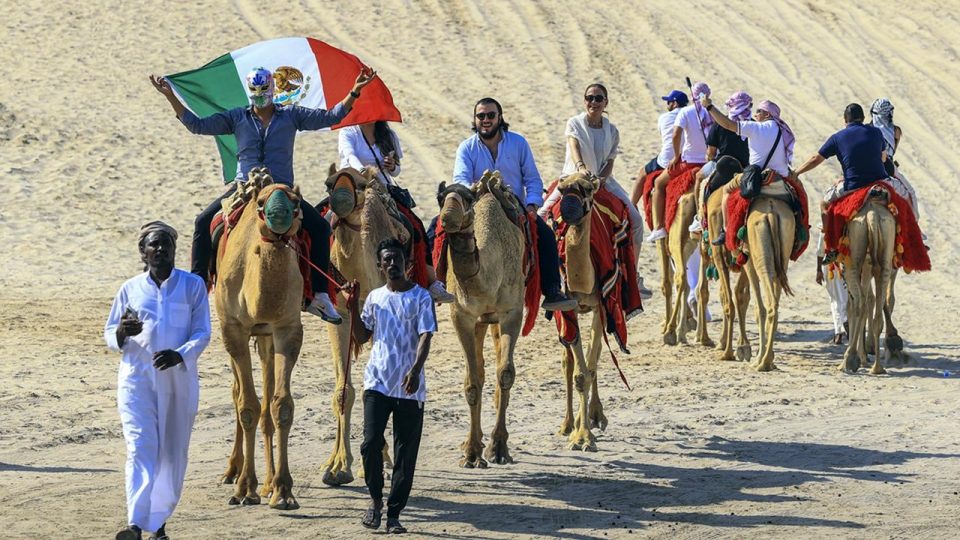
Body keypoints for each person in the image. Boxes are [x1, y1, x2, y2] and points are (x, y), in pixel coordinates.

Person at [149, 67, 377, 324]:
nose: (260, 97)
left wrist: (355, 91)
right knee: (203, 222)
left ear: (272, 90)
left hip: (282, 191)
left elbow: (330, 117)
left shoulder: (291, 115)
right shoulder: (236, 117)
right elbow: (197, 126)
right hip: (244, 189)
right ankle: (199, 286)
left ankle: (320, 295)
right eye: (255, 92)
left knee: (321, 230)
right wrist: (170, 96)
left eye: (264, 91)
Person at [104, 221, 211, 540]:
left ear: (175, 250)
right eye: (154, 244)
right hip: (137, 382)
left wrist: (181, 354)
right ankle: (135, 525)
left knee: (171, 454)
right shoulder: (130, 288)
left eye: (166, 244)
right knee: (140, 448)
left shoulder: (192, 286)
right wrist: (123, 332)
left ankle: (158, 524)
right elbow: (110, 332)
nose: (161, 249)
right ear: (143, 251)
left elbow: (202, 332)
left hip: (178, 384)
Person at [448, 97, 577, 312]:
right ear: (475, 119)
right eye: (481, 116)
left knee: (545, 236)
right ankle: (438, 283)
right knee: (440, 228)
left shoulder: (518, 143)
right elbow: (460, 179)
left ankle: (552, 290)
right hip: (478, 203)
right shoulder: (466, 148)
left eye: (491, 115)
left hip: (512, 204)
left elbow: (532, 179)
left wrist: (532, 205)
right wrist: (476, 187)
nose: (486, 120)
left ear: (500, 118)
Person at [349, 238, 436, 535]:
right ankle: (375, 500)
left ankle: (394, 513)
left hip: (410, 386)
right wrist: (352, 306)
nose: (391, 264)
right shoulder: (374, 297)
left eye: (396, 259)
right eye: (386, 260)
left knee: (405, 453)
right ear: (379, 265)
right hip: (377, 382)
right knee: (370, 443)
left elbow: (426, 336)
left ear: (407, 263)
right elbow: (362, 337)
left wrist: (415, 369)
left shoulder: (422, 297)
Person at [539, 83, 652, 298]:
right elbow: (574, 147)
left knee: (636, 220)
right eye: (589, 98)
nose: (593, 102)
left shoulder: (612, 131)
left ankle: (633, 276)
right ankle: (542, 277)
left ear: (605, 102)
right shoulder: (575, 123)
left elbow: (609, 161)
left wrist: (601, 178)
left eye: (598, 98)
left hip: (603, 180)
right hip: (574, 176)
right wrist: (581, 168)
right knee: (542, 215)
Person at [338, 121, 455, 303]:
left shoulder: (388, 134)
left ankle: (432, 283)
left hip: (382, 189)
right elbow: (349, 155)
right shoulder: (348, 133)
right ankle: (318, 284)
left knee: (415, 226)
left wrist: (392, 166)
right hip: (352, 189)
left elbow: (397, 171)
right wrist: (365, 171)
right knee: (324, 222)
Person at [702, 96, 796, 245]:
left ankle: (726, 231)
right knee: (799, 196)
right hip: (780, 177)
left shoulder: (755, 127)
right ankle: (799, 231)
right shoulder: (782, 130)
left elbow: (727, 124)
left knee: (727, 190)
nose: (756, 114)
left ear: (767, 115)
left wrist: (709, 107)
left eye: (759, 111)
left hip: (755, 176)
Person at [646, 82, 713, 242]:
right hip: (708, 163)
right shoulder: (713, 112)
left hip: (688, 163)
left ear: (692, 96)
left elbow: (676, 134)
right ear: (708, 95)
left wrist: (676, 156)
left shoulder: (686, 112)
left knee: (658, 184)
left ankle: (659, 227)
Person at [690, 91, 752, 233]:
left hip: (723, 165)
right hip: (745, 168)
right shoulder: (752, 124)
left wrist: (708, 157)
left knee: (699, 178)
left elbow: (711, 153)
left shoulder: (720, 124)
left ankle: (699, 217)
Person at [631, 89, 688, 206]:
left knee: (643, 173)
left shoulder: (664, 117)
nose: (667, 104)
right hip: (689, 158)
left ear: (675, 103)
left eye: (669, 102)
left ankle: (632, 206)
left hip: (667, 161)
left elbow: (664, 136)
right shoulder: (692, 115)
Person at [869, 98, 919, 218]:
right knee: (910, 193)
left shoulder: (867, 130)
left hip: (867, 167)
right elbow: (891, 153)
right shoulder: (896, 131)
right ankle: (914, 227)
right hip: (887, 168)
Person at [815, 227, 848, 345]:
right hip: (843, 262)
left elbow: (820, 250)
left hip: (833, 264)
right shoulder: (846, 219)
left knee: (836, 299)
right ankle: (843, 327)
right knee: (844, 297)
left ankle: (839, 331)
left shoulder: (827, 223)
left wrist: (818, 270)